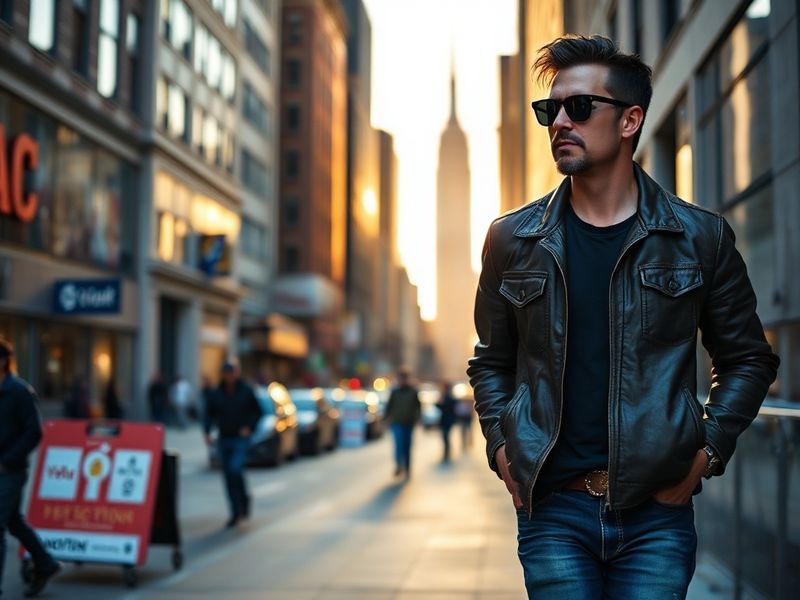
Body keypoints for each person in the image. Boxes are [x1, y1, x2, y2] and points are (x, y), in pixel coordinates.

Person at [467, 35, 779, 599]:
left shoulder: (698, 237)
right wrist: (500, 447)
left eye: (579, 107)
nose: (559, 121)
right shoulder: (512, 239)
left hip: (656, 514)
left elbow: (748, 359)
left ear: (631, 120)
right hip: (554, 512)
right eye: (550, 109)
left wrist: (707, 452)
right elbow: (492, 362)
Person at [0, 338, 61, 597]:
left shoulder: (19, 391)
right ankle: (45, 563)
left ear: (3, 361)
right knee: (13, 522)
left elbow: (34, 432)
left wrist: (7, 461)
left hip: (10, 471)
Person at [203, 362, 263, 528]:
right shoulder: (216, 393)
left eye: (231, 373)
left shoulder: (246, 391)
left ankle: (243, 500)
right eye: (226, 373)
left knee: (236, 468)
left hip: (240, 438)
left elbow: (257, 412)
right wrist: (207, 432)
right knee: (228, 475)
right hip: (224, 437)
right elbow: (209, 414)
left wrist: (249, 428)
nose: (229, 376)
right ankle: (235, 511)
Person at [383, 368, 420, 478]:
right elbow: (389, 407)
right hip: (397, 422)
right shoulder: (394, 392)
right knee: (398, 445)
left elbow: (418, 407)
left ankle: (407, 468)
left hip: (408, 423)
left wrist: (417, 418)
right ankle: (399, 465)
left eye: (404, 378)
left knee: (407, 446)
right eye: (400, 378)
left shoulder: (413, 391)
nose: (402, 381)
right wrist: (385, 418)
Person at [436, 382, 457, 462]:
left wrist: (440, 403)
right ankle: (447, 452)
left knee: (445, 437)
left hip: (447, 420)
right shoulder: (446, 396)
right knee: (445, 437)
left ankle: (447, 453)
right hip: (446, 420)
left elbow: (443, 406)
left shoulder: (448, 397)